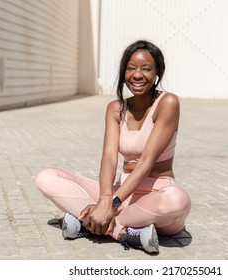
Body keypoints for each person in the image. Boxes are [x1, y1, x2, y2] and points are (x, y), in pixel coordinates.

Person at [35, 40, 191, 254]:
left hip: (157, 196)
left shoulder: (168, 103)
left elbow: (146, 162)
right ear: (123, 72)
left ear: (157, 73)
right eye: (131, 68)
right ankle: (123, 233)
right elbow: (109, 158)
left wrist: (111, 204)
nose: (138, 75)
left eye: (146, 69)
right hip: (120, 192)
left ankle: (88, 223)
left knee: (178, 200)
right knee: (46, 177)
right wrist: (106, 198)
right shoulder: (115, 108)